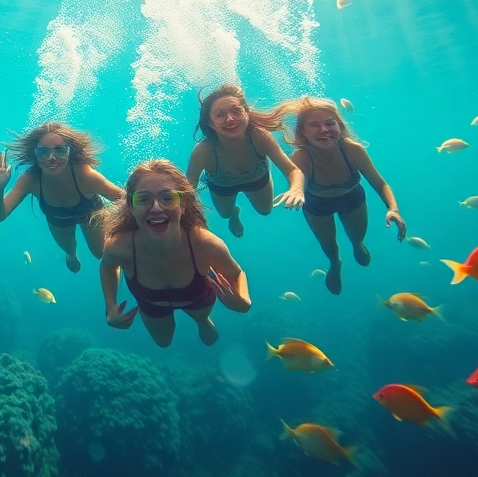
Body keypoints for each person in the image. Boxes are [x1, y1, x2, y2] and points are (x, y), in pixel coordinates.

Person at [100, 159, 251, 347]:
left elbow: (236, 273)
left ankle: (202, 321)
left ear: (183, 205)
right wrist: (110, 306)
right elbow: (107, 266)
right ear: (130, 207)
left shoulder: (206, 244)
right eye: (143, 199)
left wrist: (244, 301)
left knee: (201, 316)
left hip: (197, 295)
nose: (156, 208)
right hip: (151, 303)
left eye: (168, 198)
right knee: (163, 342)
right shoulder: (119, 247)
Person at [282, 97, 405, 295]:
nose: (324, 129)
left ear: (340, 127)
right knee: (329, 246)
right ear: (302, 132)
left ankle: (357, 245)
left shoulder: (352, 150)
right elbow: (298, 183)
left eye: (330, 123)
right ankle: (334, 263)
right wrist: (296, 191)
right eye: (314, 125)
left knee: (357, 237)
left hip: (351, 199)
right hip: (316, 204)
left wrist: (393, 209)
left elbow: (379, 183)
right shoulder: (301, 155)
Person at [0, 123, 125, 272]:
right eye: (43, 152)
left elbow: (124, 199)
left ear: (69, 152)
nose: (51, 158)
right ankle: (71, 254)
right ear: (35, 154)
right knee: (69, 247)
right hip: (58, 218)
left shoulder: (84, 174)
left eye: (59, 150)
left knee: (101, 253)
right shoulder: (29, 180)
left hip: (92, 212)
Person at [184, 84, 305, 238]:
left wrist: (297, 189)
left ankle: (262, 165)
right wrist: (190, 218)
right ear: (210, 123)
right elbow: (189, 185)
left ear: (247, 113)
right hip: (222, 183)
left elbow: (293, 170)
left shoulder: (260, 137)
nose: (230, 119)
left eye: (236, 111)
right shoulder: (203, 151)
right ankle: (235, 212)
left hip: (256, 177)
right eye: (220, 115)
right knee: (225, 214)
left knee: (265, 211)